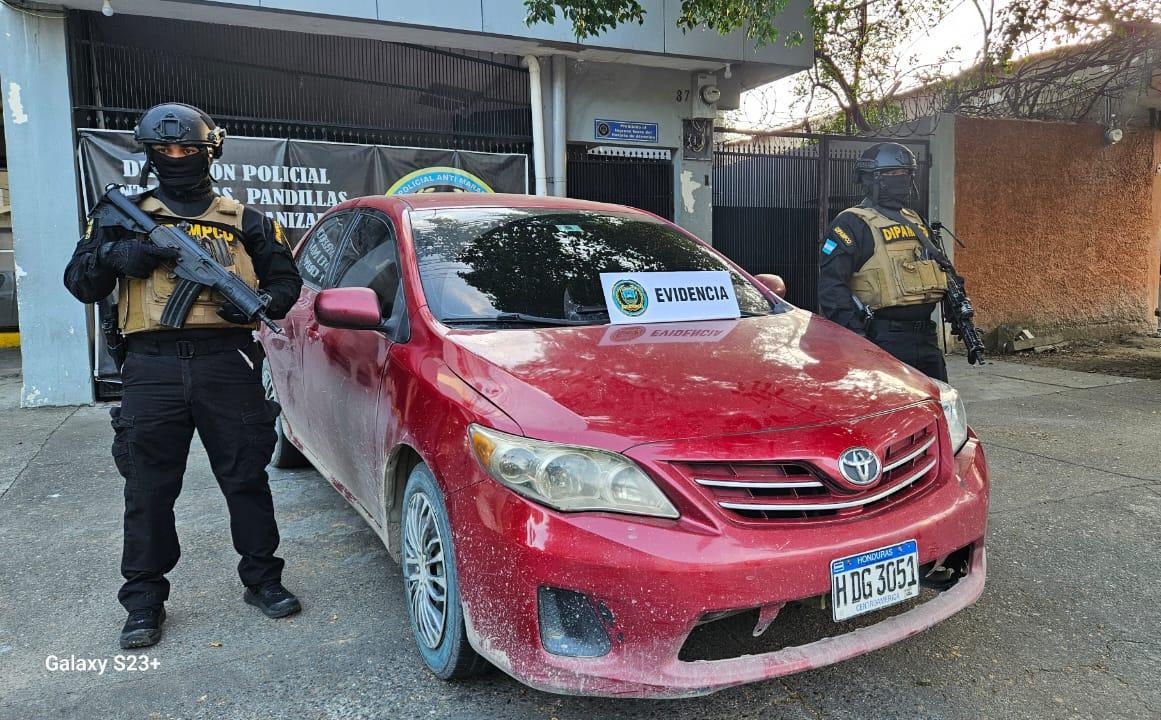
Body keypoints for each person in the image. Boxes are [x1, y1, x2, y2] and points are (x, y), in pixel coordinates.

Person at [63, 103, 305, 649]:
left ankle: (263, 581)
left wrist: (259, 302)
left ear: (208, 151)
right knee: (148, 489)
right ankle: (144, 601)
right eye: (164, 151)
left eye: (187, 149)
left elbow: (287, 284)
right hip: (151, 366)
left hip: (228, 362)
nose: (175, 158)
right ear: (148, 153)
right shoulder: (122, 214)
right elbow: (80, 282)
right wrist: (118, 255)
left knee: (246, 478)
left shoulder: (247, 219)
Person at [817, 142, 950, 381]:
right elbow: (832, 288)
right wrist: (858, 338)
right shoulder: (851, 223)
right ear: (870, 179)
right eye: (892, 174)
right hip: (882, 339)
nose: (902, 179)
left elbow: (939, 270)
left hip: (926, 339)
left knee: (938, 409)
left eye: (906, 173)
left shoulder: (915, 220)